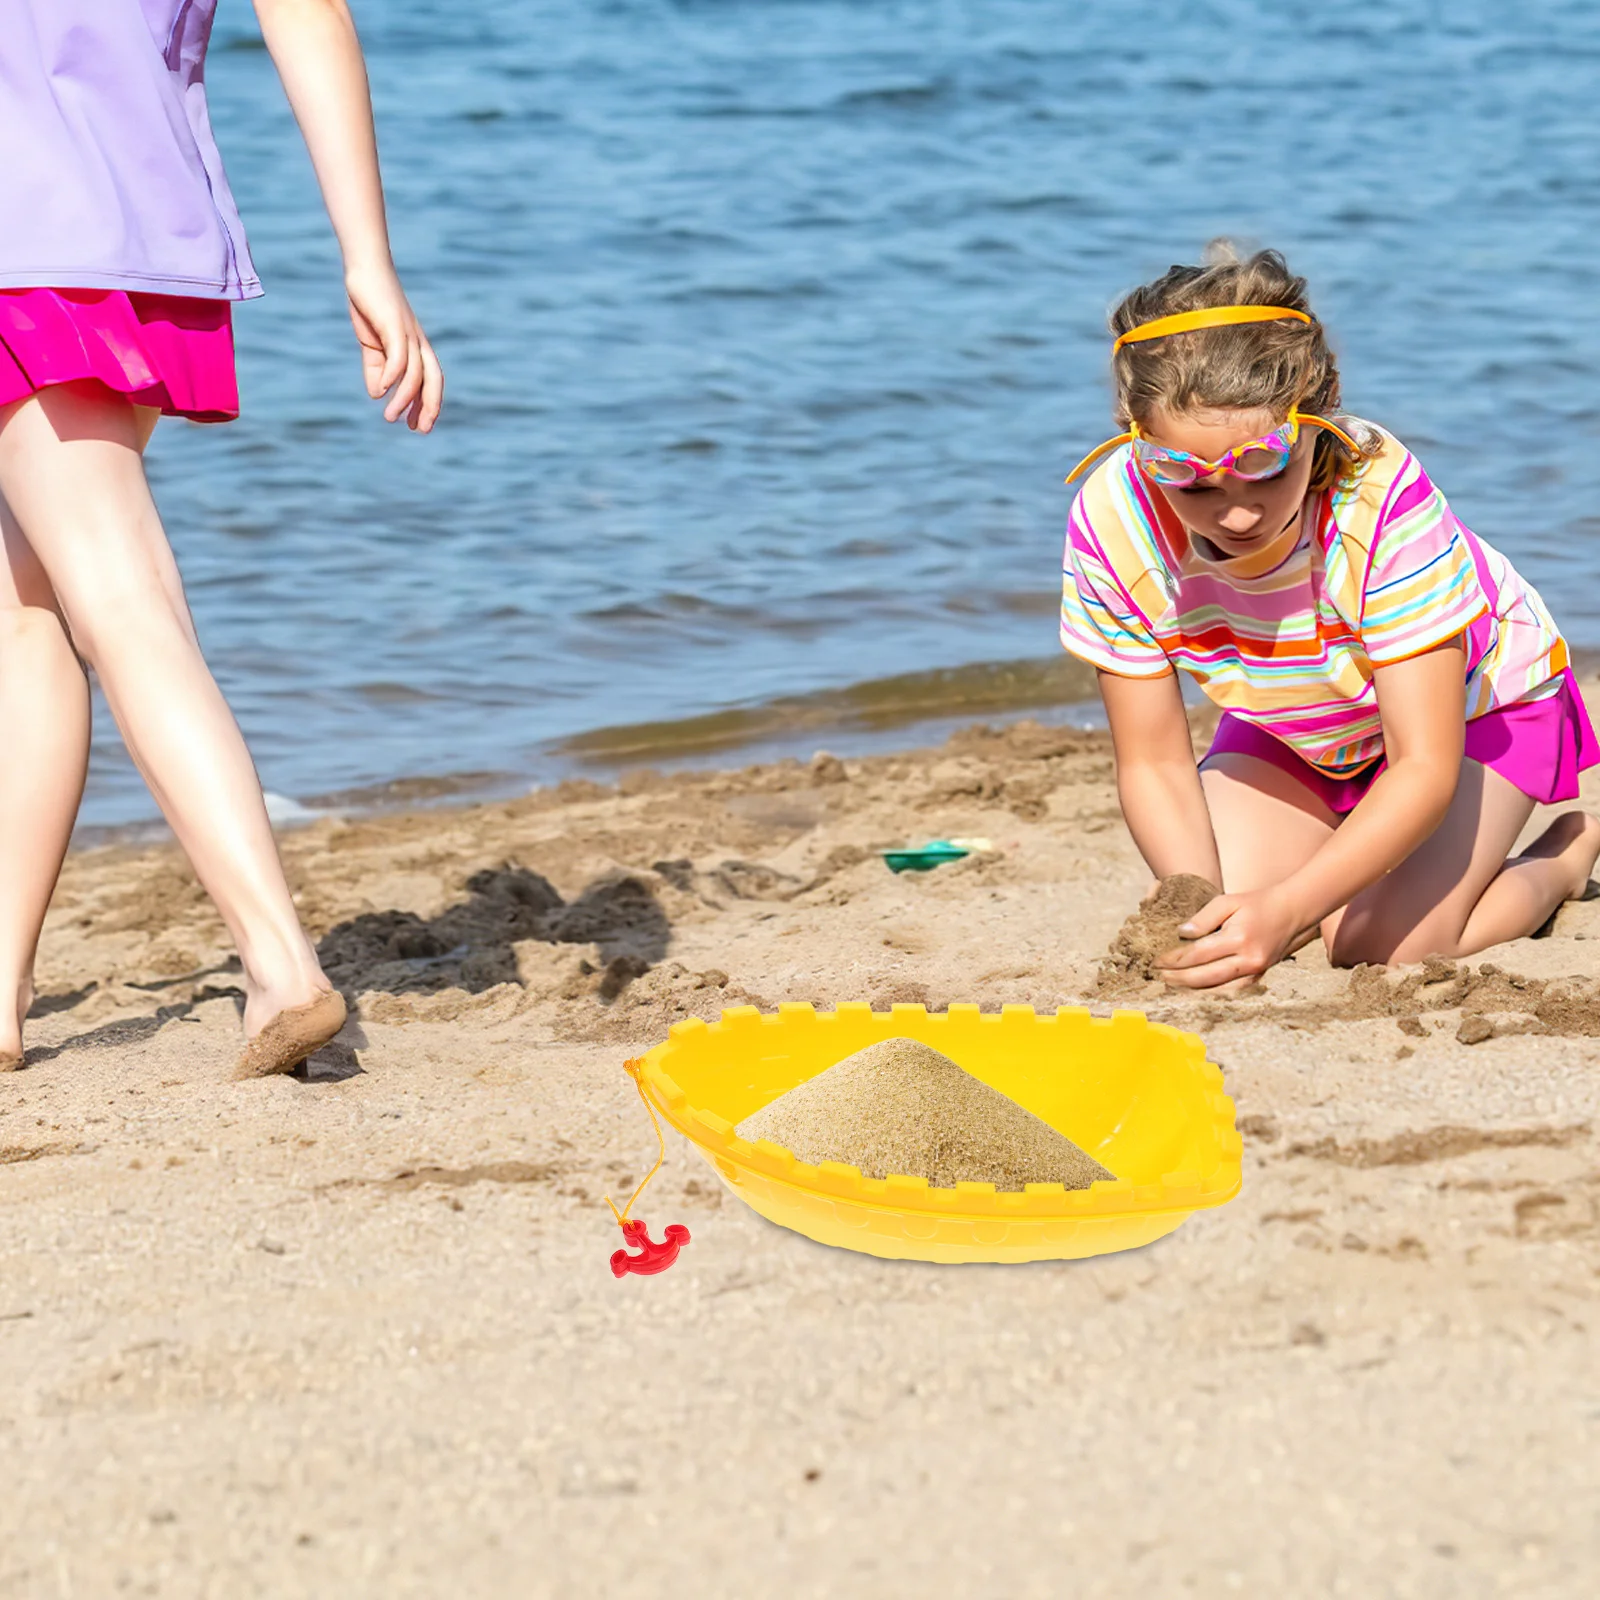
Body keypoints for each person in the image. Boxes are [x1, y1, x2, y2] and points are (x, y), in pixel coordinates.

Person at [0, 0, 443, 1074]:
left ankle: (281, 960)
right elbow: (310, 12)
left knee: (116, 593)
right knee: (33, 612)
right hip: (149, 240)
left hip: (27, 244)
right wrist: (367, 258)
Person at [1059, 244, 1600, 991]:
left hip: (1476, 713)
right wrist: (1208, 910)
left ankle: (1560, 862)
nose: (1236, 511)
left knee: (1374, 944)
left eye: (1264, 466)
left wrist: (1289, 911)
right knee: (1225, 912)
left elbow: (1422, 764)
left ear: (1323, 409)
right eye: (1187, 480)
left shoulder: (1378, 499)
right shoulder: (1113, 517)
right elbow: (1152, 760)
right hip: (1302, 723)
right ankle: (1359, 849)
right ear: (1135, 434)